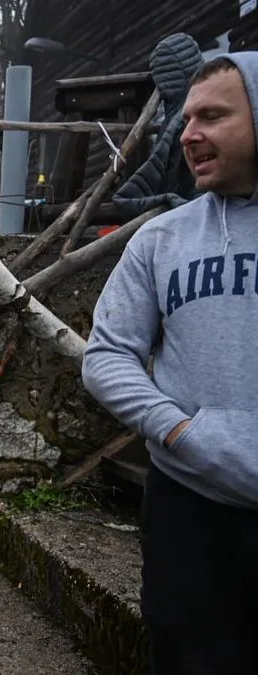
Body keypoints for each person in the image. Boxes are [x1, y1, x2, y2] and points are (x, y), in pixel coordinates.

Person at [82, 53, 258, 675]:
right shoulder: (161, 239)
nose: (187, 134)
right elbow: (106, 356)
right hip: (191, 510)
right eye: (186, 119)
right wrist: (180, 429)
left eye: (212, 115)